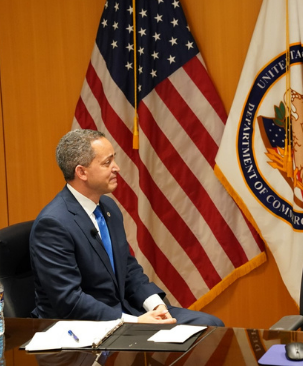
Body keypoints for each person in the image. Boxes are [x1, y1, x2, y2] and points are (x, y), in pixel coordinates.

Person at [30, 129, 223, 326]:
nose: (117, 168)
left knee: (211, 325)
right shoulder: (53, 224)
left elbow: (128, 269)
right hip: (83, 328)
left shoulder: (109, 208)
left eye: (114, 159)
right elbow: (69, 301)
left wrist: (155, 306)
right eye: (107, 163)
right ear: (81, 172)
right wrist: (134, 323)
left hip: (127, 313)